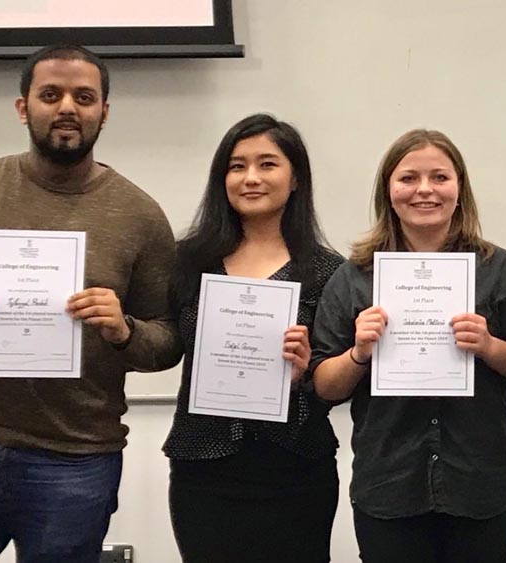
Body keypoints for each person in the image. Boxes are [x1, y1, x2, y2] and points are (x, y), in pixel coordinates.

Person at [0, 45, 180, 562]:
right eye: (50, 94)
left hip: (76, 460)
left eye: (84, 97)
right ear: (24, 108)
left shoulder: (140, 215)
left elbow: (169, 339)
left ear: (104, 112)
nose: (67, 107)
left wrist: (125, 331)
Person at [310, 129, 506, 563]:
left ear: (460, 189)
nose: (424, 190)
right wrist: (359, 353)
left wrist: (489, 346)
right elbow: (324, 386)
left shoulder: (500, 270)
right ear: (388, 190)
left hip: (481, 482)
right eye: (408, 178)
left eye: (440, 177)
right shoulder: (354, 278)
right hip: (389, 484)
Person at [163, 113, 343, 563]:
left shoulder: (328, 272)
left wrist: (307, 371)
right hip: (202, 465)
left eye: (268, 164)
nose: (251, 178)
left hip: (296, 467)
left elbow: (339, 381)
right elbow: (163, 343)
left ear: (295, 177)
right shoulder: (187, 261)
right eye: (237, 166)